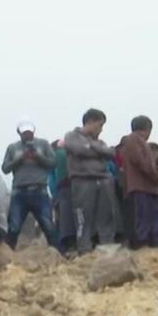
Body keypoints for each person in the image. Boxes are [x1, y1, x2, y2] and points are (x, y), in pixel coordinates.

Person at [64, 108, 117, 254]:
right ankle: (84, 249)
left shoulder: (99, 141)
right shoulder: (72, 136)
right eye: (99, 125)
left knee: (106, 216)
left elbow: (111, 153)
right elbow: (79, 150)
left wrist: (92, 146)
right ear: (90, 122)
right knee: (83, 218)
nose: (101, 129)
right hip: (82, 181)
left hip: (103, 180)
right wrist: (98, 150)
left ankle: (107, 246)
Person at [2, 120, 60, 251]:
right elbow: (5, 168)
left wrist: (38, 157)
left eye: (29, 132)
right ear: (19, 133)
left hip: (39, 190)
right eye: (24, 133)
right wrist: (20, 158)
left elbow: (53, 163)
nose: (27, 135)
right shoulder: (12, 147)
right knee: (14, 226)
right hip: (19, 191)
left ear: (33, 131)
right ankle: (7, 254)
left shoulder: (43, 144)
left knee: (48, 225)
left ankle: (58, 253)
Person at [119, 116, 158, 249]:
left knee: (153, 217)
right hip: (140, 186)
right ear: (147, 128)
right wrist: (156, 176)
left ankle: (154, 241)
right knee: (143, 217)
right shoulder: (133, 140)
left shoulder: (140, 142)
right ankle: (142, 242)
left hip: (148, 187)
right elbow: (142, 162)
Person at [48, 140, 77, 253]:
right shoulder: (68, 155)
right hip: (71, 190)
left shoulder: (55, 157)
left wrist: (55, 195)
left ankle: (64, 247)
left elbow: (51, 180)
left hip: (61, 192)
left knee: (62, 220)